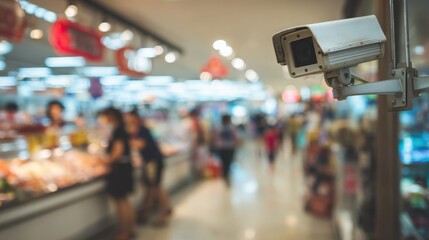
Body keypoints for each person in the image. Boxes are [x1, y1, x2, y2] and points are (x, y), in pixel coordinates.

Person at [125, 111, 172, 226]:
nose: (129, 120)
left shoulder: (142, 130)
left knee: (155, 187)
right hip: (151, 162)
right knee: (154, 187)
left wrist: (124, 142)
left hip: (153, 162)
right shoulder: (136, 130)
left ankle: (164, 213)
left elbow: (141, 144)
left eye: (130, 118)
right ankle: (153, 211)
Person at [101, 107, 135, 240]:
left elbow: (118, 151)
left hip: (119, 170)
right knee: (125, 200)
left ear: (111, 116)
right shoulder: (122, 129)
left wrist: (106, 161)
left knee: (120, 202)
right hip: (125, 168)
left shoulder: (118, 131)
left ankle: (124, 233)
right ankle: (130, 230)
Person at [213, 114, 239, 186]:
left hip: (225, 147)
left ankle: (225, 174)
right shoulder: (230, 128)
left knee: (226, 162)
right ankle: (225, 174)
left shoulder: (220, 128)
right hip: (226, 147)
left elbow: (215, 138)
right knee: (226, 162)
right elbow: (235, 137)